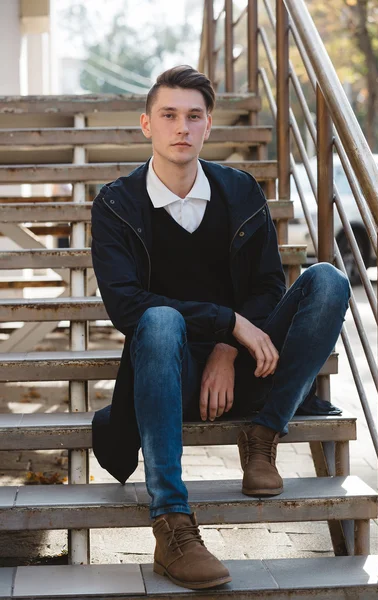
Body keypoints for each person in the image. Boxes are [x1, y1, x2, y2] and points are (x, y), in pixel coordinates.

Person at [91, 65, 350, 590]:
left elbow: (268, 287)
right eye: (169, 115)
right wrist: (226, 322)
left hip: (251, 367)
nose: (181, 127)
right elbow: (127, 307)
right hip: (166, 378)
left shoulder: (239, 191)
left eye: (193, 116)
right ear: (146, 124)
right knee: (158, 319)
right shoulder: (117, 204)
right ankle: (171, 522)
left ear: (209, 126)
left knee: (328, 281)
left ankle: (263, 434)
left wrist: (229, 348)